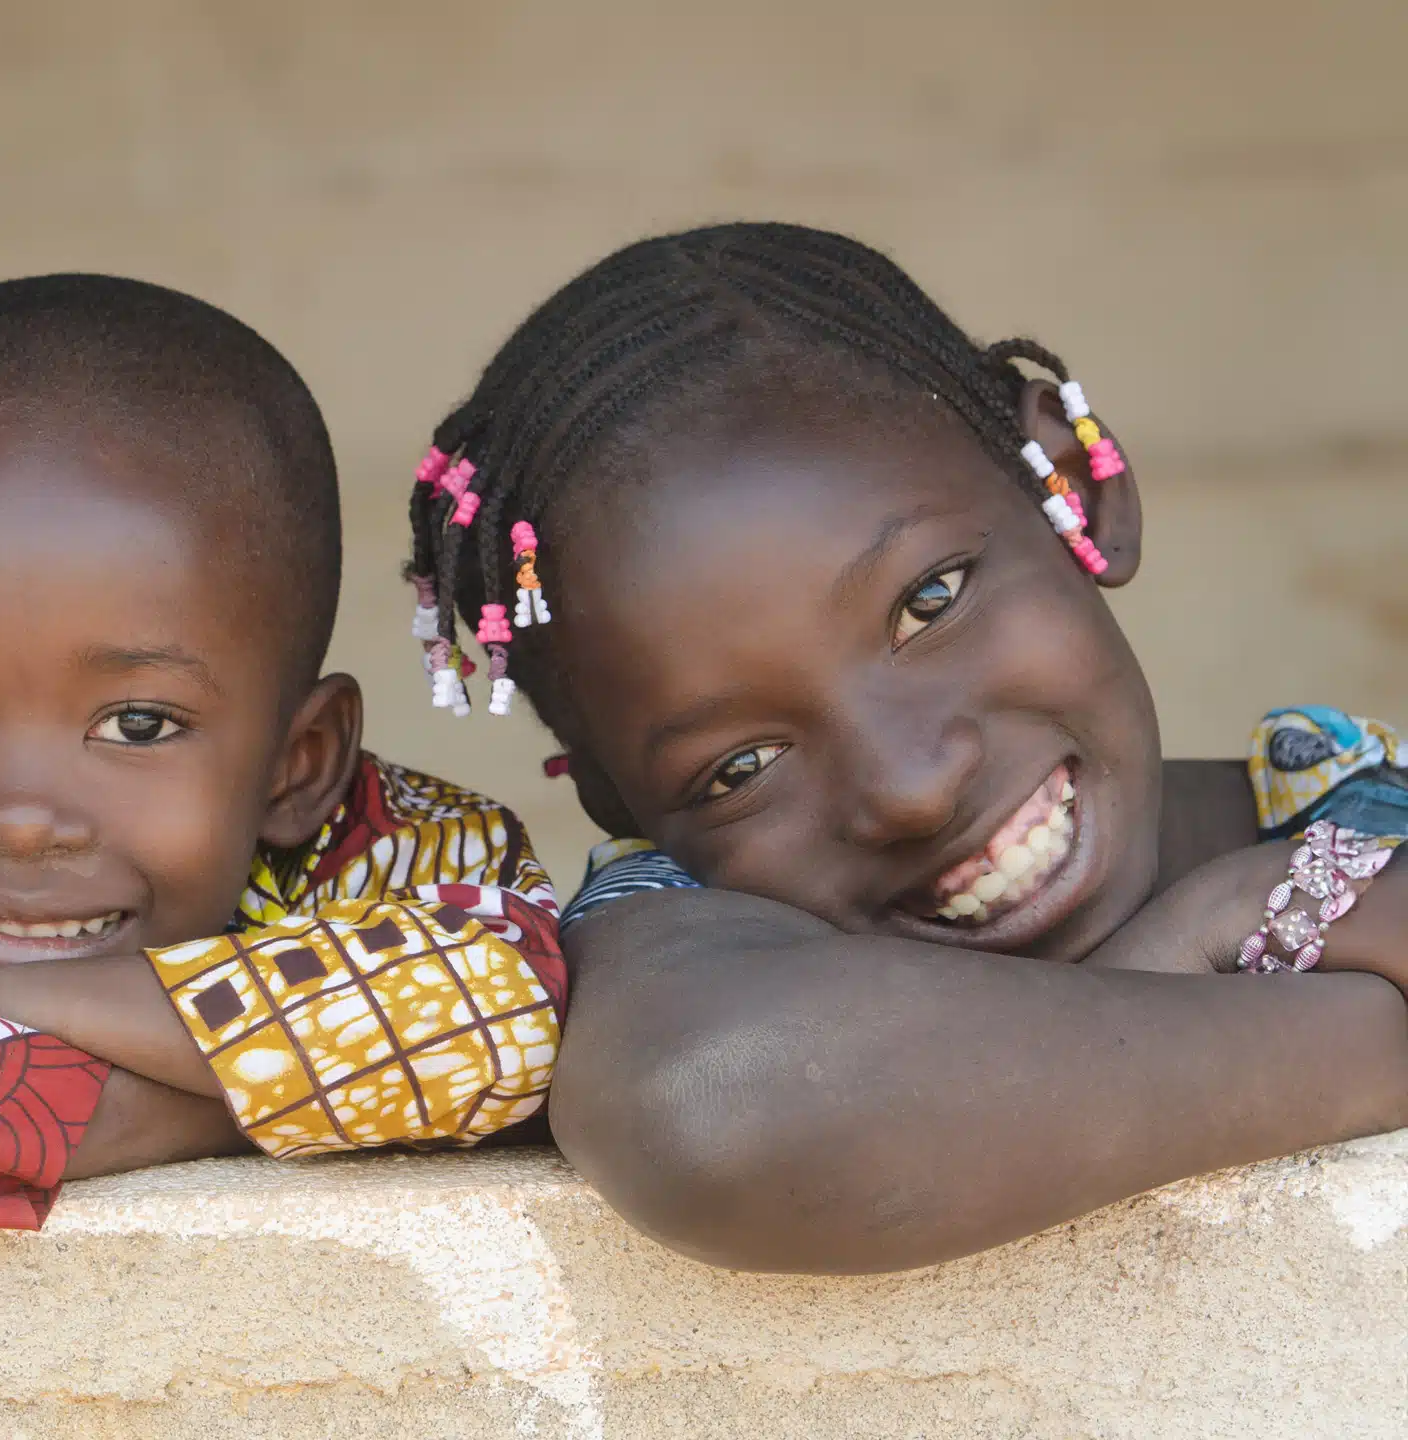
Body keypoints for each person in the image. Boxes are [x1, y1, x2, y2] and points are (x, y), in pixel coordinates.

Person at [402, 221, 1408, 1273]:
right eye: (738, 769)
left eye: (929, 601)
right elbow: (725, 1116)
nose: (910, 789)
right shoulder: (670, 940)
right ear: (620, 804)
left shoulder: (1355, 800)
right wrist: (1225, 943)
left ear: (1070, 487)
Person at [0, 275, 569, 1229]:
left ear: (301, 762)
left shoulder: (393, 846)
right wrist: (324, 1097)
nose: (21, 819)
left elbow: (510, 1015)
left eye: (136, 725)